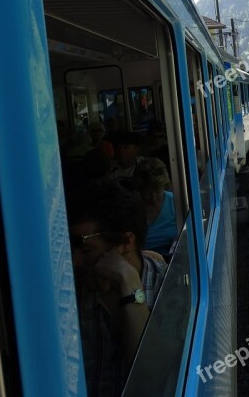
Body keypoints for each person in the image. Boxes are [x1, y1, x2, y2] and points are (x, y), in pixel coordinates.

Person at [68, 180, 166, 397]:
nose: (75, 262)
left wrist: (130, 285)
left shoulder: (170, 288)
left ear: (127, 241)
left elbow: (153, 382)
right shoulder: (69, 295)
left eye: (86, 250)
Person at [126, 158, 177, 257]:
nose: (153, 199)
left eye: (158, 192)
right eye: (148, 194)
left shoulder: (176, 203)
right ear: (139, 191)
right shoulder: (131, 210)